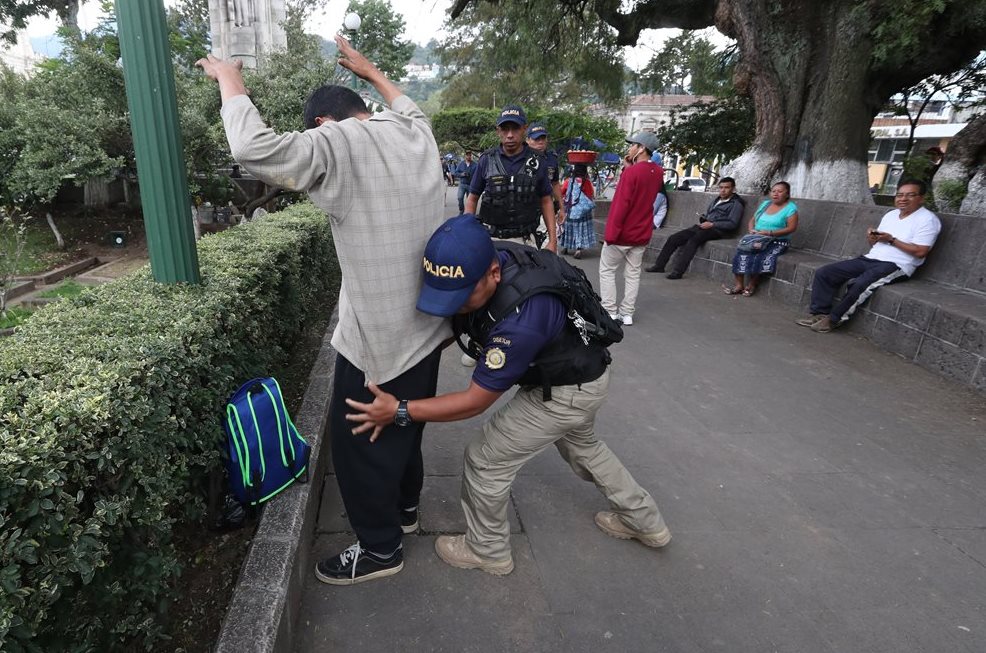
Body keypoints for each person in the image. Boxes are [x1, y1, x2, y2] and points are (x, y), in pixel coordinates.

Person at [197, 35, 449, 585]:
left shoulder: (337, 143)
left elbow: (254, 148)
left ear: (322, 124)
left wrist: (229, 80)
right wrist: (372, 70)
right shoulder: (413, 133)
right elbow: (411, 104)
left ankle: (381, 548)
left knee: (361, 442)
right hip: (430, 324)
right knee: (406, 424)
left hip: (378, 335)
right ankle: (404, 512)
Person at [344, 214, 671, 576]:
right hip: (582, 373)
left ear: (493, 276)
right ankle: (646, 521)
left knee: (485, 459)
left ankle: (487, 550)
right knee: (584, 447)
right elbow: (459, 324)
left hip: (565, 393)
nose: (451, 306)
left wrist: (400, 410)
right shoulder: (481, 256)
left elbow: (475, 401)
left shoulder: (520, 318)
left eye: (459, 297)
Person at [797, 179, 941, 333]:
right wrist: (873, 238)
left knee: (860, 284)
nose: (903, 199)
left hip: (896, 265)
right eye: (899, 195)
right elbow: (876, 245)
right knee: (825, 273)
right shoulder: (891, 215)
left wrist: (891, 240)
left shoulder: (928, 220)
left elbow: (921, 252)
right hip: (870, 258)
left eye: (910, 195)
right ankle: (820, 313)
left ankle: (834, 320)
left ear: (921, 198)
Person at [466, 105, 558, 253]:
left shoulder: (538, 161)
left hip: (527, 241)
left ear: (524, 129)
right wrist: (468, 234)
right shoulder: (486, 160)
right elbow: (472, 198)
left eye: (515, 128)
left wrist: (553, 241)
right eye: (505, 129)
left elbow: (546, 201)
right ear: (498, 131)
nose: (510, 135)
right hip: (491, 241)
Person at [599, 132, 664, 326]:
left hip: (622, 233)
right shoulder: (658, 172)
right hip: (642, 232)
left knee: (607, 271)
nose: (630, 148)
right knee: (633, 274)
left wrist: (610, 235)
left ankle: (609, 310)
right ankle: (627, 313)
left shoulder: (631, 173)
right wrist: (630, 168)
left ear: (642, 148)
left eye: (633, 145)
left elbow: (621, 206)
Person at [647, 177, 744, 278]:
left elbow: (733, 223)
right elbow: (710, 214)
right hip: (704, 226)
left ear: (733, 189)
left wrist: (713, 224)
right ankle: (659, 265)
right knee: (674, 238)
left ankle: (678, 272)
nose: (723, 190)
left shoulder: (736, 203)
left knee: (693, 240)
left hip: (718, 230)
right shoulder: (717, 200)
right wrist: (704, 218)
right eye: (721, 187)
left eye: (726, 188)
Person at [724, 181, 799, 297]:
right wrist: (751, 230)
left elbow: (791, 228)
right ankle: (739, 285)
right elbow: (752, 220)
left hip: (777, 240)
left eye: (780, 191)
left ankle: (752, 284)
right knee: (741, 251)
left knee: (761, 255)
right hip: (757, 237)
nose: (776, 194)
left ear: (787, 194)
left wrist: (770, 233)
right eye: (773, 191)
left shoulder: (791, 208)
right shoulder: (765, 204)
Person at [526, 122, 565, 227]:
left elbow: (555, 183)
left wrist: (562, 208)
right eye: (536, 139)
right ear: (527, 140)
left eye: (543, 139)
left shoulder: (552, 158)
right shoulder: (522, 158)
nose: (540, 142)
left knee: (549, 241)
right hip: (527, 209)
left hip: (548, 208)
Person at [558, 163, 596, 259]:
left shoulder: (568, 181)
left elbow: (562, 192)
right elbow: (590, 195)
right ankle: (578, 249)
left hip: (571, 210)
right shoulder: (587, 182)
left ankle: (566, 247)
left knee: (568, 228)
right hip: (583, 212)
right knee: (580, 229)